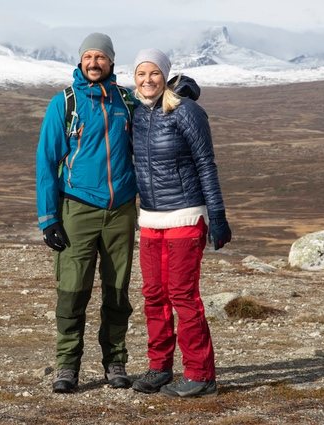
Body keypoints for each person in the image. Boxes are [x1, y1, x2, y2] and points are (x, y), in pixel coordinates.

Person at [35, 33, 137, 394]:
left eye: (101, 57)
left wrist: (180, 98)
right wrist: (49, 218)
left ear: (111, 61)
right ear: (81, 61)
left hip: (121, 209)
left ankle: (116, 361)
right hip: (77, 208)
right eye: (89, 56)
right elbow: (47, 162)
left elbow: (156, 126)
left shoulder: (126, 101)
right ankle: (67, 366)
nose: (94, 63)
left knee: (117, 291)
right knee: (73, 290)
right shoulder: (65, 102)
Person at [129, 48, 232, 397]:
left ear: (165, 75)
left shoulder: (186, 111)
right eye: (141, 74)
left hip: (186, 216)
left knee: (182, 296)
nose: (147, 80)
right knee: (154, 295)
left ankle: (201, 375)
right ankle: (159, 368)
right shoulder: (137, 114)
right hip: (151, 219)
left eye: (154, 73)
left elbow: (206, 164)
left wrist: (216, 216)